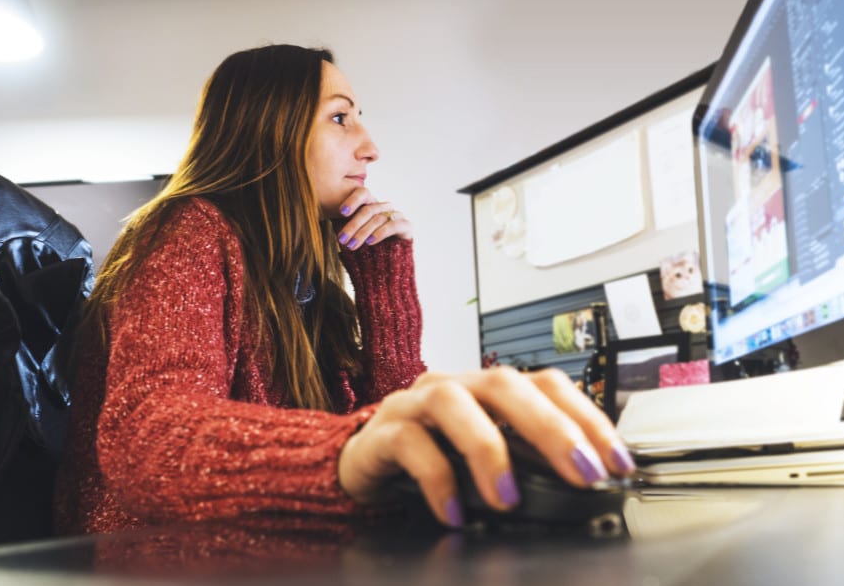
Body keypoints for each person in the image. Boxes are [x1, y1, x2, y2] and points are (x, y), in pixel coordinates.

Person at [53, 44, 635, 535]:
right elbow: (149, 439)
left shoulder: (301, 278)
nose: (370, 146)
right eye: (340, 118)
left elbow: (391, 421)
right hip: (151, 583)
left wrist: (384, 281)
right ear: (269, 128)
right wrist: (344, 452)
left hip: (255, 566)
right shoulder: (186, 231)